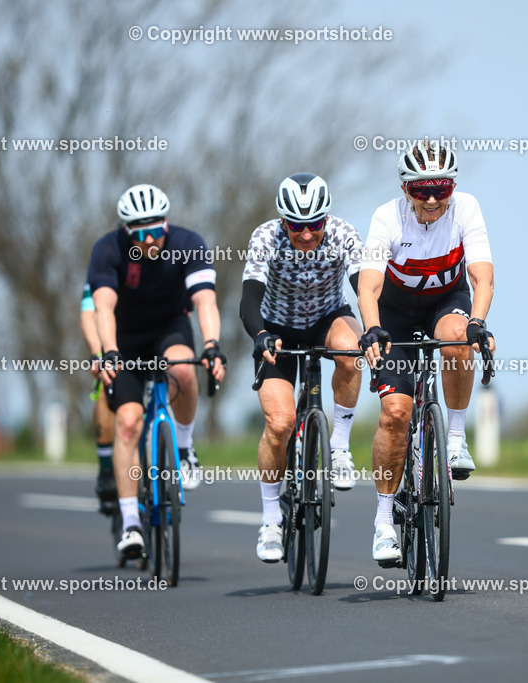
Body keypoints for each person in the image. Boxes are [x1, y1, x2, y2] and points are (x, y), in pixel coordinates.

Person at [358, 141, 496, 563]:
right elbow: (369, 285)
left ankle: (455, 439)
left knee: (458, 337)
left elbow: (482, 277)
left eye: (441, 189)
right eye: (421, 190)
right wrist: (372, 329)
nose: (432, 199)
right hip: (394, 314)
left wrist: (477, 322)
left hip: (445, 302)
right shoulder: (386, 217)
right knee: (396, 414)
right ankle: (384, 520)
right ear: (405, 190)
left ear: (452, 187)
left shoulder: (466, 208)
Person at [88, 183, 227, 560]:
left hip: (170, 327)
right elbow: (103, 308)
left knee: (183, 370)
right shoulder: (108, 249)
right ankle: (131, 523)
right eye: (140, 233)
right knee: (128, 422)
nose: (149, 240)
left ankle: (183, 448)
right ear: (126, 230)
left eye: (156, 230)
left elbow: (205, 301)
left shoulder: (188, 242)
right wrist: (110, 352)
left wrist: (211, 344)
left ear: (166, 223)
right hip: (126, 338)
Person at [240, 173, 364, 563]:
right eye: (296, 226)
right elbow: (249, 299)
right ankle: (271, 519)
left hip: (329, 317)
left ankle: (339, 446)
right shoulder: (265, 237)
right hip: (277, 329)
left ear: (327, 218)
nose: (307, 234)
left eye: (315, 224)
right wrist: (260, 335)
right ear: (283, 221)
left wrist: (375, 328)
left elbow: (364, 286)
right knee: (280, 424)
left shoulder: (343, 234)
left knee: (352, 351)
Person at [79, 282, 116, 515]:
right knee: (106, 385)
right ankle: (106, 468)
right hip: (108, 336)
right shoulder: (104, 267)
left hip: (145, 332)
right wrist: (96, 352)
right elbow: (88, 314)